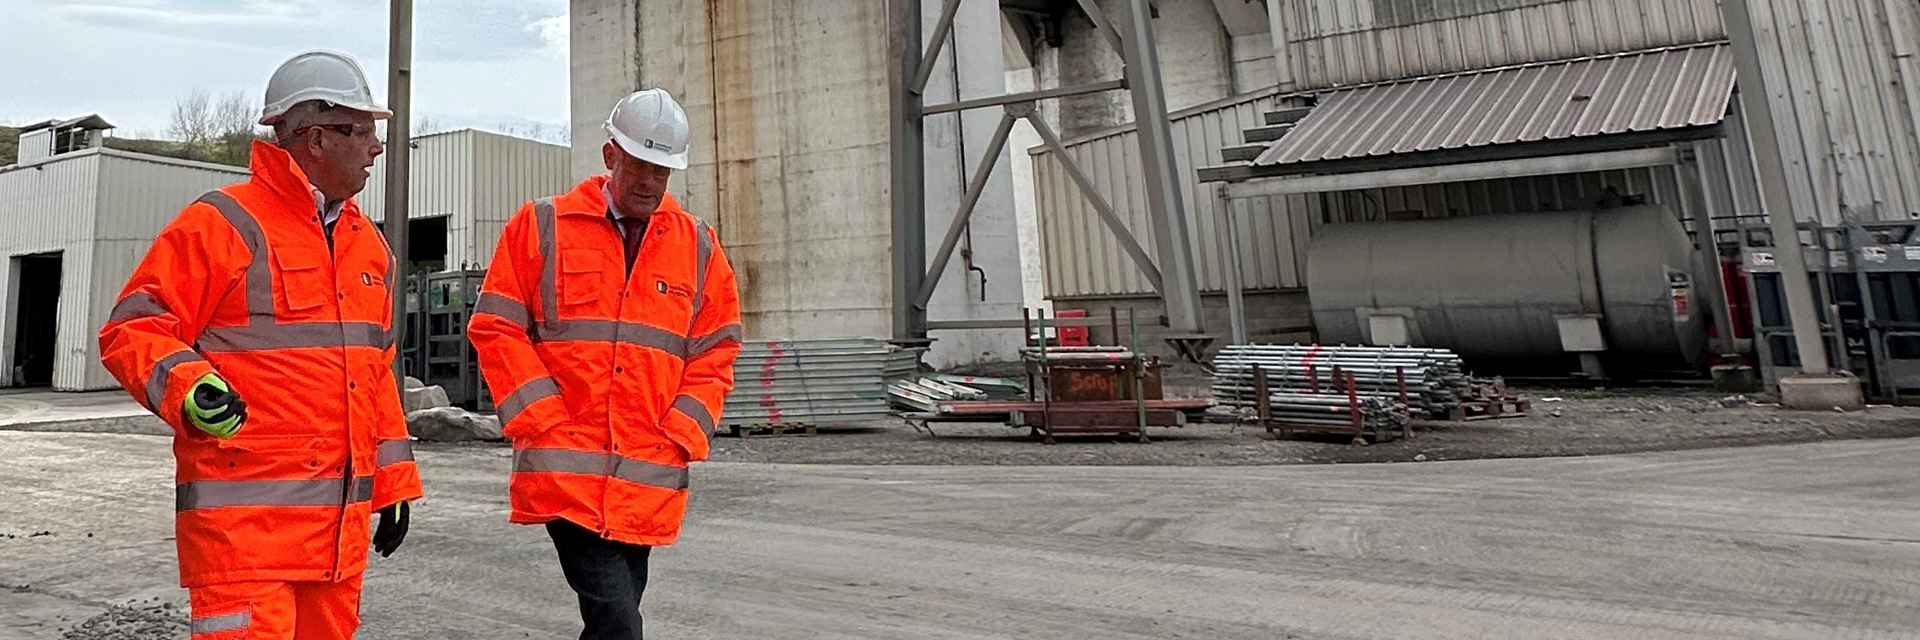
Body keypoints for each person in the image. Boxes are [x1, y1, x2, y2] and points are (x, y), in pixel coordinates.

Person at [97, 49, 420, 639]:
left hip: (335, 546)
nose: (377, 148)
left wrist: (393, 484)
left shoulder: (368, 246)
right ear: (316, 138)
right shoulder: (222, 224)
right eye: (365, 131)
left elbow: (375, 376)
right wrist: (190, 387)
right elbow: (134, 327)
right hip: (243, 541)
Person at [467, 88, 742, 639]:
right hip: (566, 469)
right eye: (639, 164)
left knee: (615, 616)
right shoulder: (541, 226)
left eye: (661, 171)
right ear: (610, 154)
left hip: (646, 471)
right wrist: (541, 415)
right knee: (617, 619)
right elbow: (495, 326)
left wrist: (683, 429)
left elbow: (716, 348)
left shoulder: (698, 248)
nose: (648, 182)